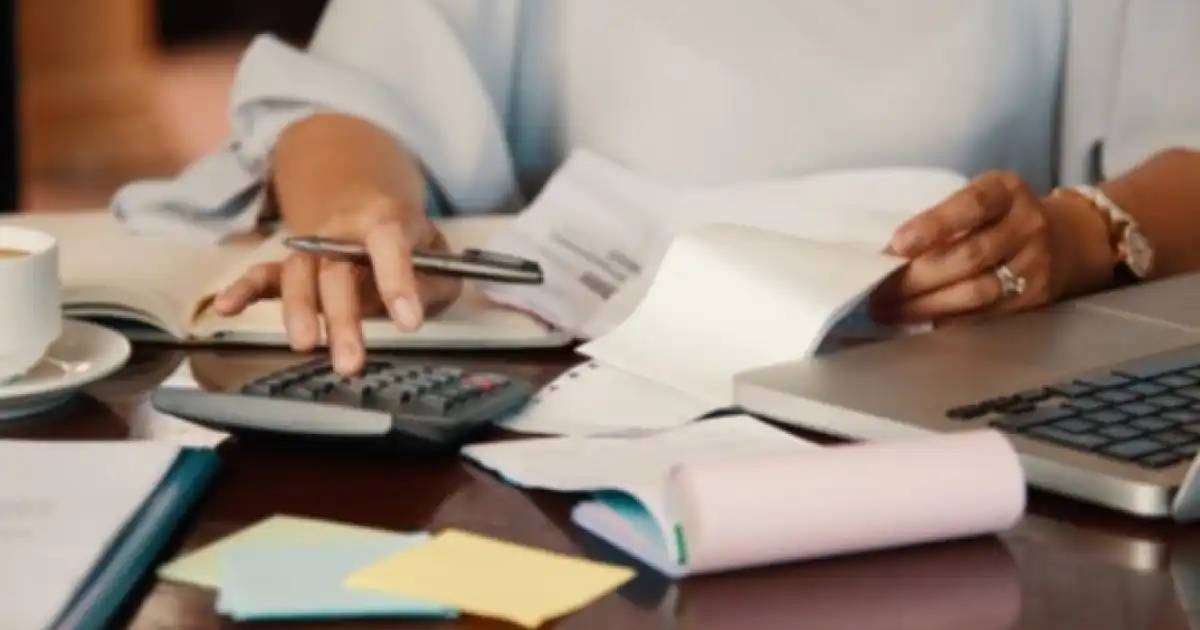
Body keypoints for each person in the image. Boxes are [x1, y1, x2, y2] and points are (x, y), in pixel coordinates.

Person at [113, 1, 1200, 375]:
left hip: (956, 399)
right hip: (590, 401)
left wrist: (1079, 232)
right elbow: (350, 102)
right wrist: (363, 209)